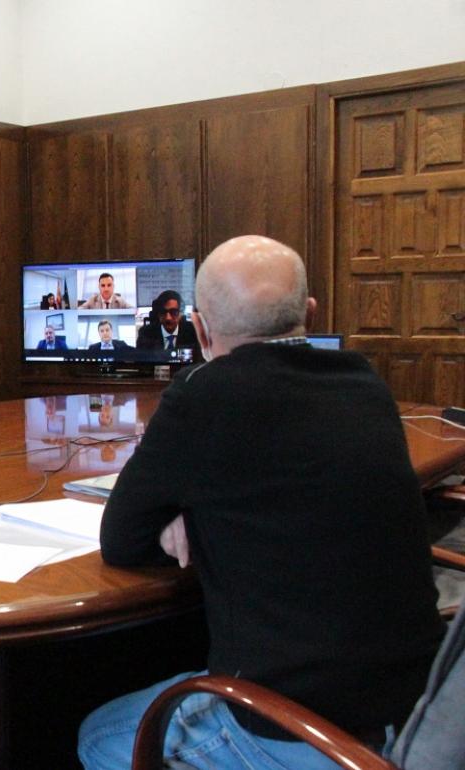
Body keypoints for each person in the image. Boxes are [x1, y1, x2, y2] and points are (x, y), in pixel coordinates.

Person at [78, 236, 445, 770]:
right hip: (418, 715)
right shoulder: (364, 383)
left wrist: (185, 520)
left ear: (200, 329)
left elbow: (121, 541)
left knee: (98, 735)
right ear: (311, 314)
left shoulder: (202, 397)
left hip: (302, 731)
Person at [136, 289, 201, 361]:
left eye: (173, 312)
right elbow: (144, 362)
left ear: (181, 313)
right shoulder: (146, 333)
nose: (168, 318)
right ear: (158, 314)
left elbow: (197, 362)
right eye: (163, 312)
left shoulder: (192, 331)